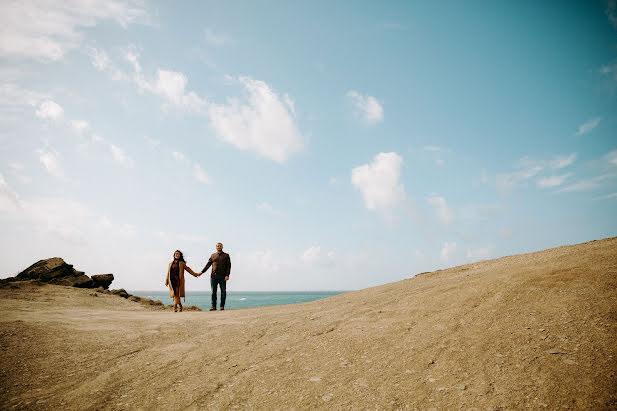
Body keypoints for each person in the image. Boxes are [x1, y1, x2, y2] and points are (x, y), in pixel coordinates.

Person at [201, 242, 231, 311]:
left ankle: (222, 306)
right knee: (213, 292)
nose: (219, 247)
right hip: (213, 277)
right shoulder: (213, 255)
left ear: (222, 247)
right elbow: (208, 264)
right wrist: (202, 272)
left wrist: (227, 275)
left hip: (223, 277)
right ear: (216, 247)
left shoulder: (226, 255)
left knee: (223, 291)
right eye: (217, 246)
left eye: (220, 246)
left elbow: (228, 266)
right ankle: (213, 306)